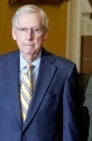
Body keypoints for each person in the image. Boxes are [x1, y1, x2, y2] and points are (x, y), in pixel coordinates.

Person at [0, 4, 80, 141]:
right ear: (14, 33)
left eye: (36, 30)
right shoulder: (1, 66)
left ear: (45, 34)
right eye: (23, 30)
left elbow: (69, 125)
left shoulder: (64, 71)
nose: (29, 36)